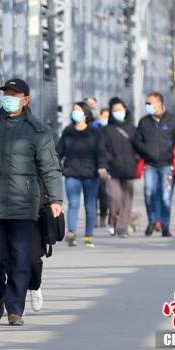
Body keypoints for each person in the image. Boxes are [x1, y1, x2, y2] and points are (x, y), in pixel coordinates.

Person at [0, 78, 63, 327]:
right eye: (6, 93)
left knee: (21, 259)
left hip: (24, 206)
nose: (9, 98)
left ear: (26, 100)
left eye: (15, 94)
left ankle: (15, 309)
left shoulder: (37, 131)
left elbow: (50, 167)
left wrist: (55, 198)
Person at [56, 101, 109, 248]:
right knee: (73, 203)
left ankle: (88, 235)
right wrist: (54, 165)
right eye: (74, 110)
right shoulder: (68, 131)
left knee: (90, 205)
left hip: (91, 173)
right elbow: (59, 150)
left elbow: (100, 152)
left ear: (86, 113)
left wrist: (102, 166)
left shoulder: (95, 132)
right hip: (72, 172)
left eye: (78, 110)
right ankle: (71, 233)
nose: (75, 113)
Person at [135, 92, 175, 238]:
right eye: (147, 103)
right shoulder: (144, 122)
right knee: (149, 193)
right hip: (149, 164)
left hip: (166, 164)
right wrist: (144, 151)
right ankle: (152, 220)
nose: (148, 106)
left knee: (165, 196)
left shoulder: (172, 121)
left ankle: (165, 225)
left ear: (160, 103)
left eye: (150, 103)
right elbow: (137, 141)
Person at [102, 98, 139, 238]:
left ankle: (122, 227)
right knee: (115, 198)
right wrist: (105, 165)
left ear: (125, 110)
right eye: (115, 110)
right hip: (112, 170)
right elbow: (102, 149)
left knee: (127, 199)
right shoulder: (106, 130)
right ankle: (114, 221)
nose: (118, 112)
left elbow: (138, 147)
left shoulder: (132, 129)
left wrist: (136, 159)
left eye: (120, 110)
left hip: (129, 169)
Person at [96, 107, 111, 228]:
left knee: (104, 194)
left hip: (107, 166)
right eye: (104, 116)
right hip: (92, 166)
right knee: (93, 194)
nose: (105, 119)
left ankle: (103, 217)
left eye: (108, 116)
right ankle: (94, 218)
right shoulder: (93, 128)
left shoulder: (110, 130)